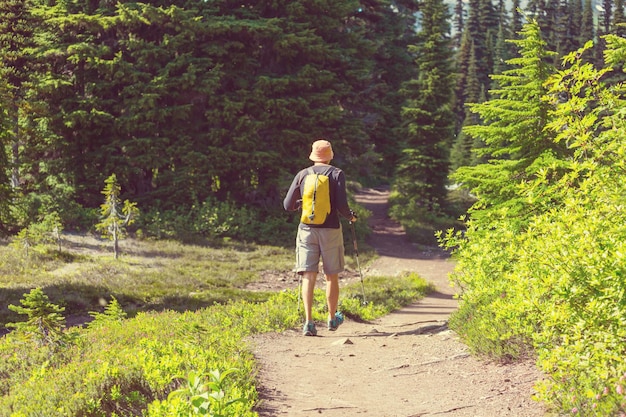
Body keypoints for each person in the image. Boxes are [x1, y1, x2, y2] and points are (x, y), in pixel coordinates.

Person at [283, 139, 357, 336]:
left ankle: (308, 322)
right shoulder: (336, 173)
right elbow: (342, 205)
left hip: (306, 229)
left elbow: (287, 205)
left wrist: (300, 205)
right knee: (331, 275)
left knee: (308, 274)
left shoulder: (303, 174)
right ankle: (332, 319)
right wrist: (351, 216)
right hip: (331, 229)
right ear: (330, 155)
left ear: (312, 155)